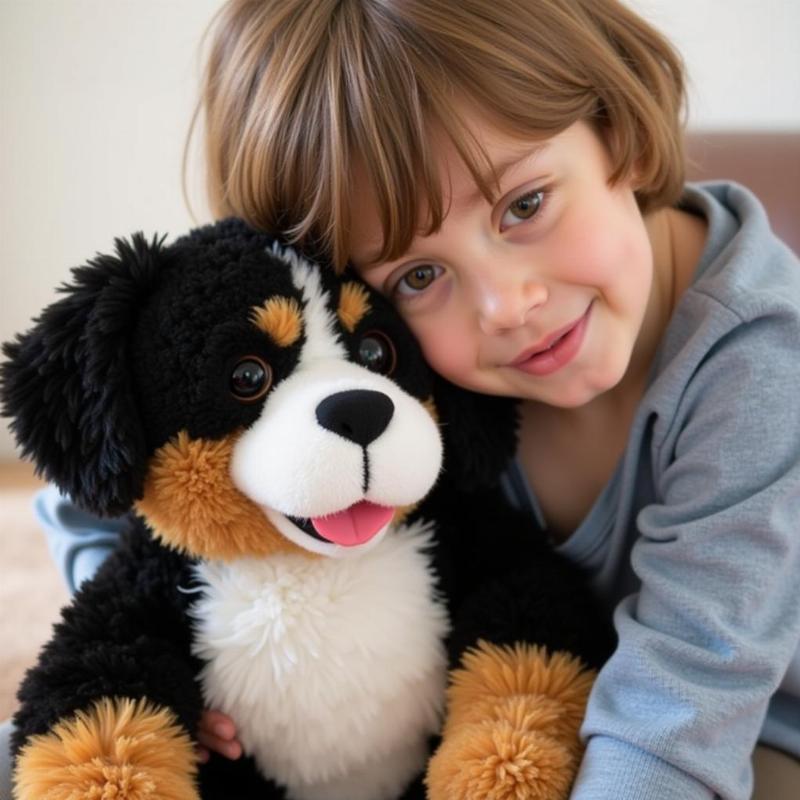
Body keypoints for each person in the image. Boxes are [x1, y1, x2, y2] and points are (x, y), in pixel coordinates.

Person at [3, 1, 799, 798]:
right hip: (461, 703)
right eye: (419, 274)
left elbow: (681, 716)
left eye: (524, 205)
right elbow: (104, 491)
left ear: (615, 130)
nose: (504, 305)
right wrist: (171, 665)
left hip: (744, 728)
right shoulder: (396, 350)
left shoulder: (761, 370)